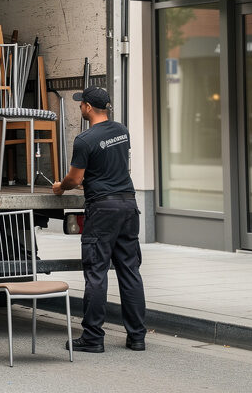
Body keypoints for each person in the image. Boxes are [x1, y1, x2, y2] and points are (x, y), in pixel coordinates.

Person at [52, 86, 147, 353]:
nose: (80, 107)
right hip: (128, 205)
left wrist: (61, 186)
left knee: (96, 273)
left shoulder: (85, 139)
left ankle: (93, 338)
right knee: (130, 271)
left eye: (81, 103)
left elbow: (75, 179)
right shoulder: (121, 131)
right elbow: (110, 163)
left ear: (89, 108)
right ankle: (137, 337)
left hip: (103, 210)